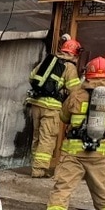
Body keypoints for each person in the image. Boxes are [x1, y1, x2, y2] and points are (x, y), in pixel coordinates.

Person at [36, 57, 105, 210]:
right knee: (104, 196)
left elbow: (64, 116)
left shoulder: (75, 96)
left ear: (87, 75)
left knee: (61, 193)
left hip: (73, 155)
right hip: (99, 155)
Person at [26, 35, 82, 178]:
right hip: (52, 107)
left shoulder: (49, 60)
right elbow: (74, 91)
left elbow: (32, 77)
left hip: (35, 103)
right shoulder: (69, 67)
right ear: (74, 54)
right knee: (48, 137)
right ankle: (39, 170)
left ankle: (35, 165)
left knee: (37, 136)